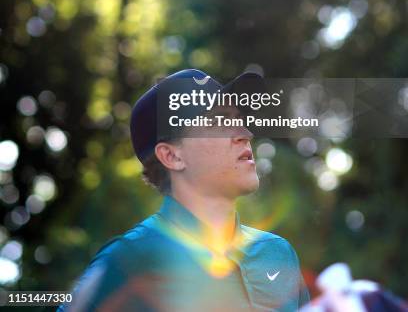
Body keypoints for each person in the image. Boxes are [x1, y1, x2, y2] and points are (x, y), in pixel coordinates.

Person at [59, 69, 309, 312]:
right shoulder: (127, 260)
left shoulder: (279, 253)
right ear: (172, 155)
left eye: (238, 119)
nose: (245, 133)